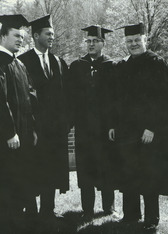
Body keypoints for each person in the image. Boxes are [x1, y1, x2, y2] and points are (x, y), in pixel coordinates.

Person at [109, 23, 168, 231]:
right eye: (129, 41)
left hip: (150, 132)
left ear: (145, 39)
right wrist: (113, 124)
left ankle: (151, 218)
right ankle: (130, 214)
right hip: (127, 131)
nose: (133, 44)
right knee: (129, 172)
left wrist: (152, 127)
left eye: (136, 40)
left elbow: (164, 100)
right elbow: (117, 100)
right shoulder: (123, 66)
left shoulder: (157, 64)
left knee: (150, 174)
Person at [0, 14, 39, 233]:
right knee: (3, 185)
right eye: (15, 36)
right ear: (2, 36)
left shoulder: (19, 64)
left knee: (18, 183)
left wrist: (32, 129)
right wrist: (10, 132)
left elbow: (29, 99)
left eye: (22, 36)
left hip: (22, 135)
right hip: (4, 139)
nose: (20, 40)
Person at [18, 15, 69, 220]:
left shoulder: (57, 61)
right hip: (34, 128)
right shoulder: (22, 62)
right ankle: (30, 210)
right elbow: (22, 99)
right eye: (48, 34)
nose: (52, 38)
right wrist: (30, 127)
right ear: (36, 35)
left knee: (52, 168)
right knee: (32, 168)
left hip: (55, 129)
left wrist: (66, 123)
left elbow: (66, 95)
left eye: (53, 34)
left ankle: (48, 209)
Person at [68, 25, 118, 221]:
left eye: (95, 41)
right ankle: (87, 209)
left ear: (103, 43)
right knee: (86, 168)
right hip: (84, 128)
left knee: (108, 166)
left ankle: (109, 207)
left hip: (106, 129)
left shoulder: (112, 66)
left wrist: (114, 124)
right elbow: (70, 97)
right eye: (88, 41)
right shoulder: (77, 66)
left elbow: (117, 99)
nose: (90, 44)